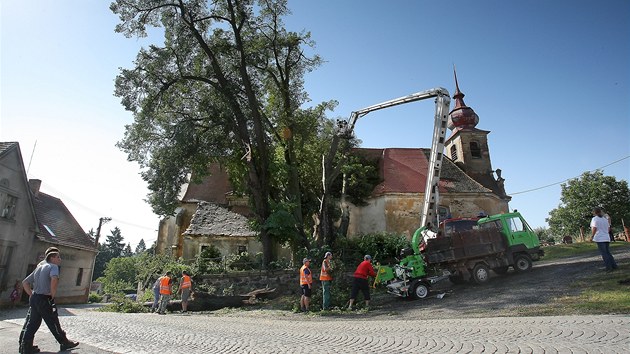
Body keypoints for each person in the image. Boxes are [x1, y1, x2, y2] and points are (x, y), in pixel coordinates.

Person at [19, 250, 79, 354]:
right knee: (53, 321)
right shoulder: (53, 267)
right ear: (52, 258)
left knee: (33, 323)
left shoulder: (39, 268)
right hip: (44, 298)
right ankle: (64, 342)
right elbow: (54, 279)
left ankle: (26, 347)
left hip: (35, 298)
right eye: (58, 257)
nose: (60, 259)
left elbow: (25, 282)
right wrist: (52, 293)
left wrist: (31, 294)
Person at [590, 207, 618, 272]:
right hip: (606, 237)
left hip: (600, 238)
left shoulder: (594, 219)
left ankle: (609, 267)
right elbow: (608, 229)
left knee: (604, 253)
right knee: (608, 252)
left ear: (594, 213)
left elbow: (594, 228)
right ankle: (614, 265)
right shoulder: (605, 219)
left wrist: (592, 236)